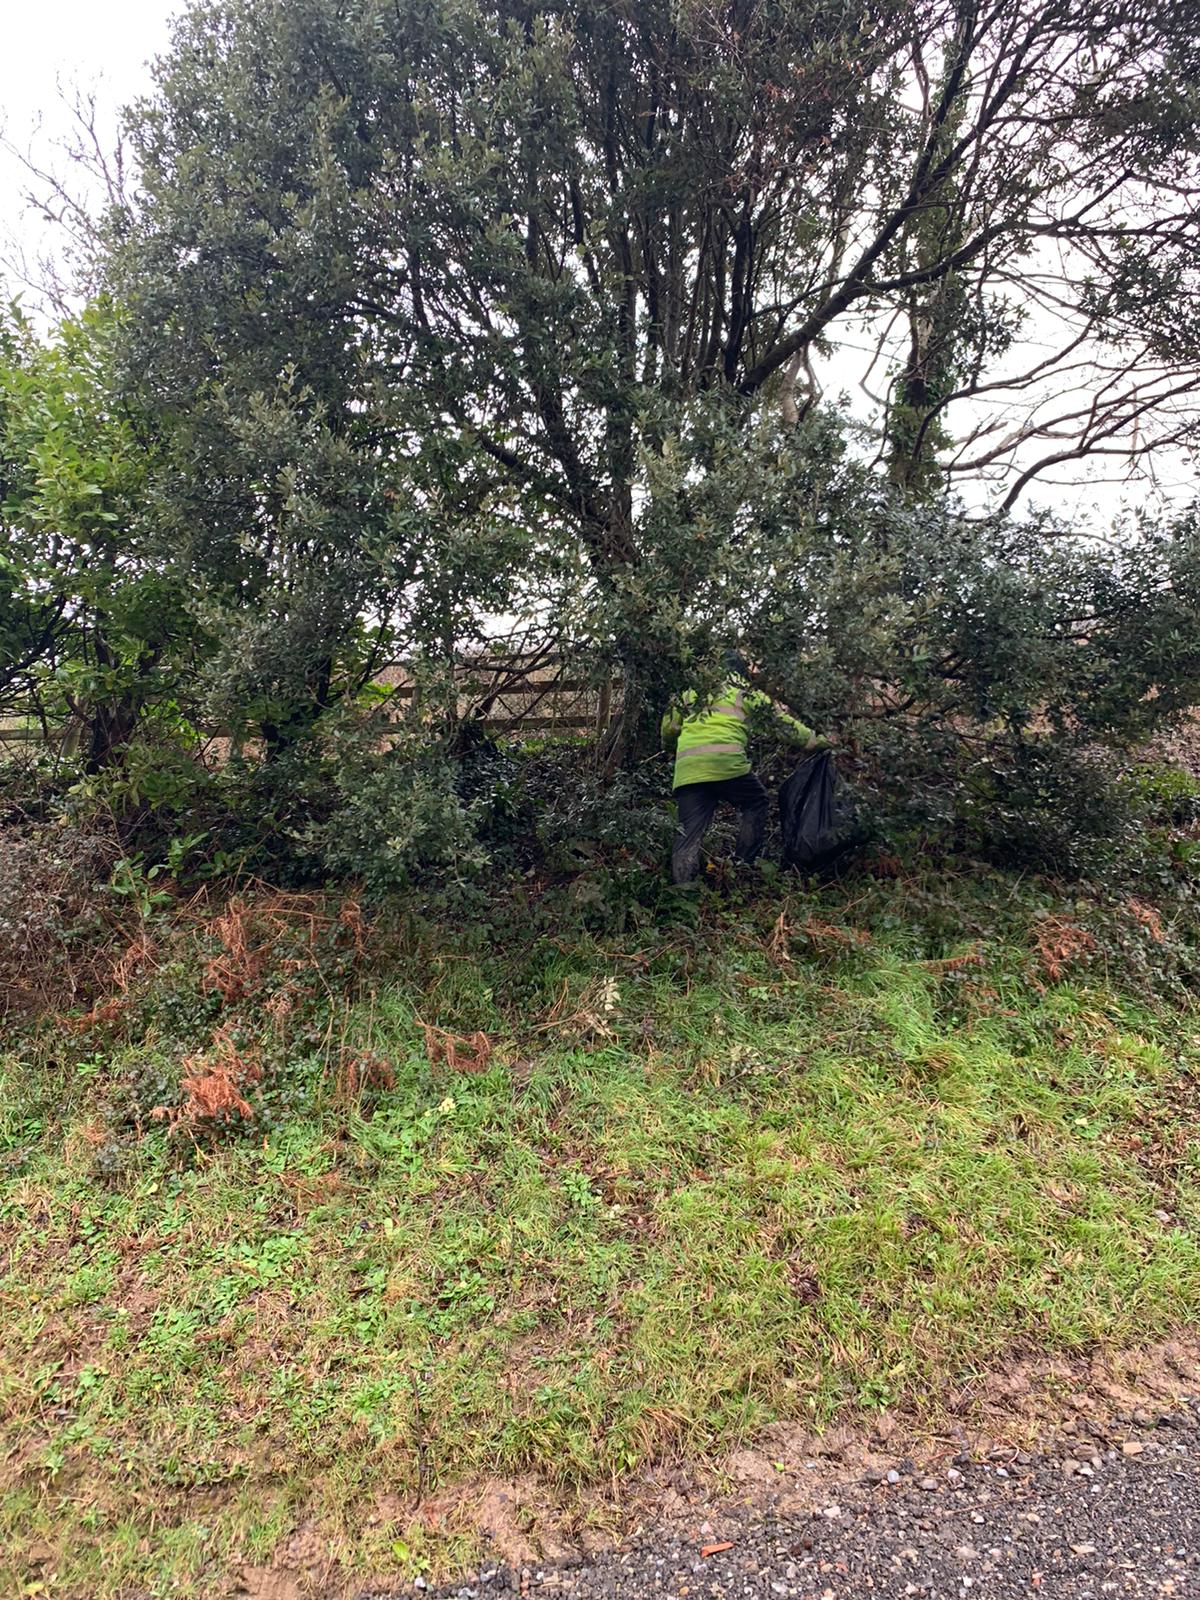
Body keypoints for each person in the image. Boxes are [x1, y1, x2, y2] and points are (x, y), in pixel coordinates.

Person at [661, 659, 827, 885]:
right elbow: (780, 723)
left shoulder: (691, 691)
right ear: (739, 672)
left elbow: (669, 729)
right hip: (726, 764)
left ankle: (684, 892)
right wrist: (815, 741)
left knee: (688, 835)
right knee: (756, 803)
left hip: (689, 770)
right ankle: (742, 868)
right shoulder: (743, 691)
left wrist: (673, 748)